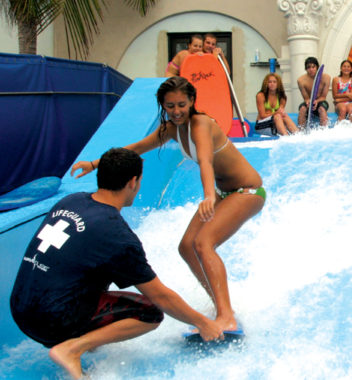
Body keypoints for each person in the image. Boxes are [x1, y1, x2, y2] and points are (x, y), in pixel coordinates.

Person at [71, 77, 265, 335]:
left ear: (192, 102)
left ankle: (226, 316)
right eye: (170, 105)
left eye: (181, 104)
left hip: (247, 191)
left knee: (203, 243)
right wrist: (95, 164)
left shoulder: (201, 125)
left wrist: (208, 196)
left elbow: (206, 161)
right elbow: (137, 148)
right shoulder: (172, 128)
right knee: (186, 247)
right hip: (222, 192)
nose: (176, 111)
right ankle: (220, 304)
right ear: (163, 105)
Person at [10, 148, 223, 380]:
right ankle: (72, 348)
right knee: (150, 312)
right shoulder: (116, 234)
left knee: (93, 271)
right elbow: (161, 297)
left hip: (20, 309)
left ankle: (80, 340)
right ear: (133, 182)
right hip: (51, 321)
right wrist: (203, 323)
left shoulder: (71, 201)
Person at [297, 56, 331, 128]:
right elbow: (306, 98)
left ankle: (324, 131)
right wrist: (308, 102)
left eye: (313, 67)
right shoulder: (301, 80)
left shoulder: (326, 78)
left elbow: (323, 97)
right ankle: (300, 132)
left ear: (317, 67)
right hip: (309, 102)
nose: (311, 69)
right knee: (302, 109)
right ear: (306, 69)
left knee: (321, 109)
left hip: (321, 101)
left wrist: (317, 101)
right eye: (309, 67)